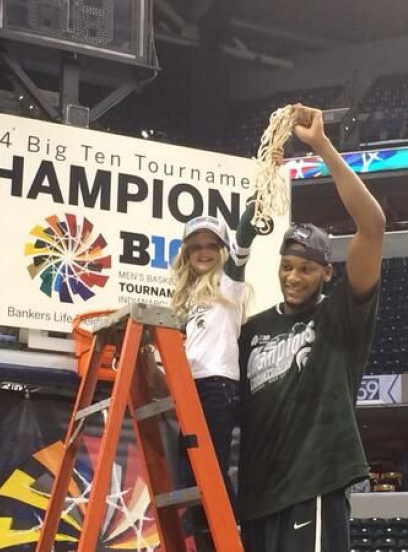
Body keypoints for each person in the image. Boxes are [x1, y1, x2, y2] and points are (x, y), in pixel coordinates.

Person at [237, 104, 386, 552]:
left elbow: (374, 225)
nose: (293, 277)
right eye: (286, 267)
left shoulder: (339, 315)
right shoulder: (253, 328)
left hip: (313, 487)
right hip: (257, 496)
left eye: (305, 268)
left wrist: (321, 144)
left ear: (326, 273)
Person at [170, 179, 273, 550]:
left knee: (207, 471)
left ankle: (232, 538)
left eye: (210, 245)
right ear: (185, 252)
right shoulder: (188, 299)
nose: (203, 251)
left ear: (221, 249)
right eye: (195, 246)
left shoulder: (230, 285)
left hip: (216, 386)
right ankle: (211, 540)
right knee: (188, 476)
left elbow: (244, 242)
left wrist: (254, 205)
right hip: (188, 389)